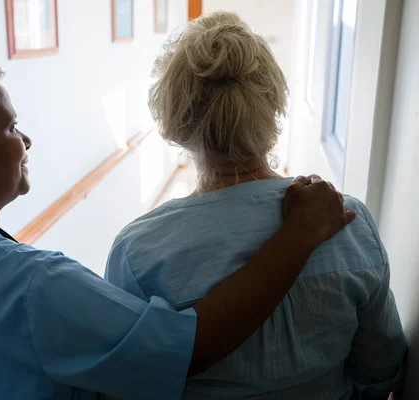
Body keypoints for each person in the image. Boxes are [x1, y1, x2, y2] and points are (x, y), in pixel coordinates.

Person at [0, 51, 353, 400]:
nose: (26, 140)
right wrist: (300, 234)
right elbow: (188, 349)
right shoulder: (34, 285)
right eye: (12, 127)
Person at [105, 12, 407, 400]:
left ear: (173, 122)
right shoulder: (347, 221)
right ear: (273, 105)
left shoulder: (137, 252)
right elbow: (381, 371)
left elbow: (130, 384)